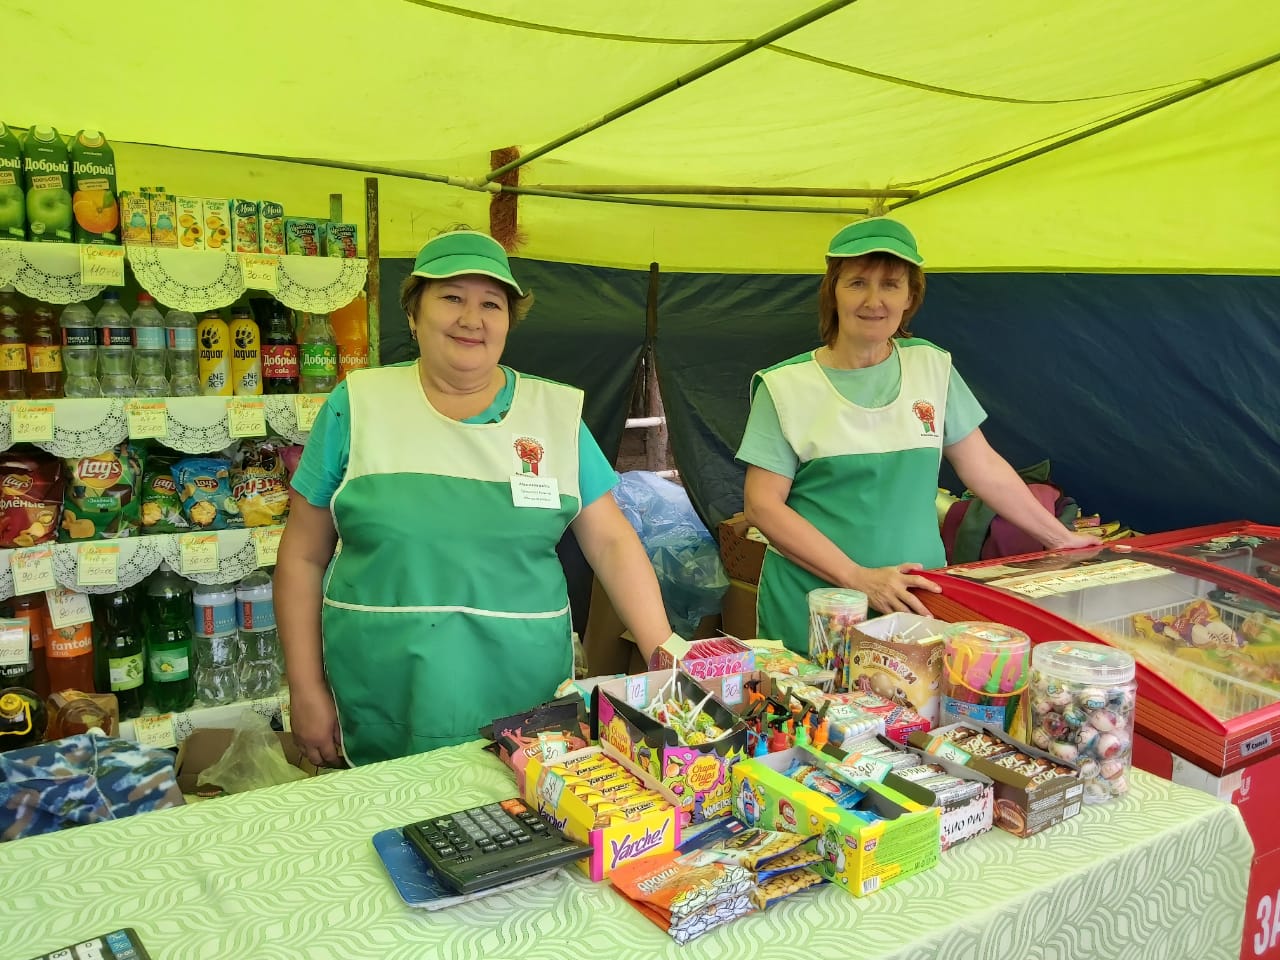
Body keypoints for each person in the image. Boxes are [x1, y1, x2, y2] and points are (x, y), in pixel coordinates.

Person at [277, 229, 673, 767]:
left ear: (509, 321)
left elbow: (611, 542)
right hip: (383, 690)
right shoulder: (358, 405)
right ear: (413, 314)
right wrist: (305, 688)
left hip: (522, 695)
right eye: (451, 297)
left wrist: (664, 654)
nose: (472, 318)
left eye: (491, 303)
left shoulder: (553, 415)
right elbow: (302, 555)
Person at [737, 218, 1095, 653]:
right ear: (833, 292)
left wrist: (1060, 538)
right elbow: (762, 505)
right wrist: (857, 578)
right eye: (857, 283)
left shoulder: (932, 366)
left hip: (917, 600)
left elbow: (982, 466)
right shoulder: (785, 386)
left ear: (910, 297)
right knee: (816, 697)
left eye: (890, 285)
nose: (874, 301)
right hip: (818, 605)